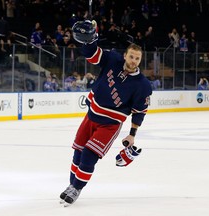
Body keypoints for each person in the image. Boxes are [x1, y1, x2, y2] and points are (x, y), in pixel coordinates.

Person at [60, 20, 152, 205]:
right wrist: (90, 39)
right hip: (91, 116)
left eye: (137, 58)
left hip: (109, 124)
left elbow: (139, 112)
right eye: (131, 56)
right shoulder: (112, 59)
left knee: (88, 155)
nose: (133, 61)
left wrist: (132, 135)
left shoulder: (142, 85)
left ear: (140, 61)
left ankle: (77, 188)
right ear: (125, 55)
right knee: (78, 153)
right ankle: (71, 185)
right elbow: (91, 55)